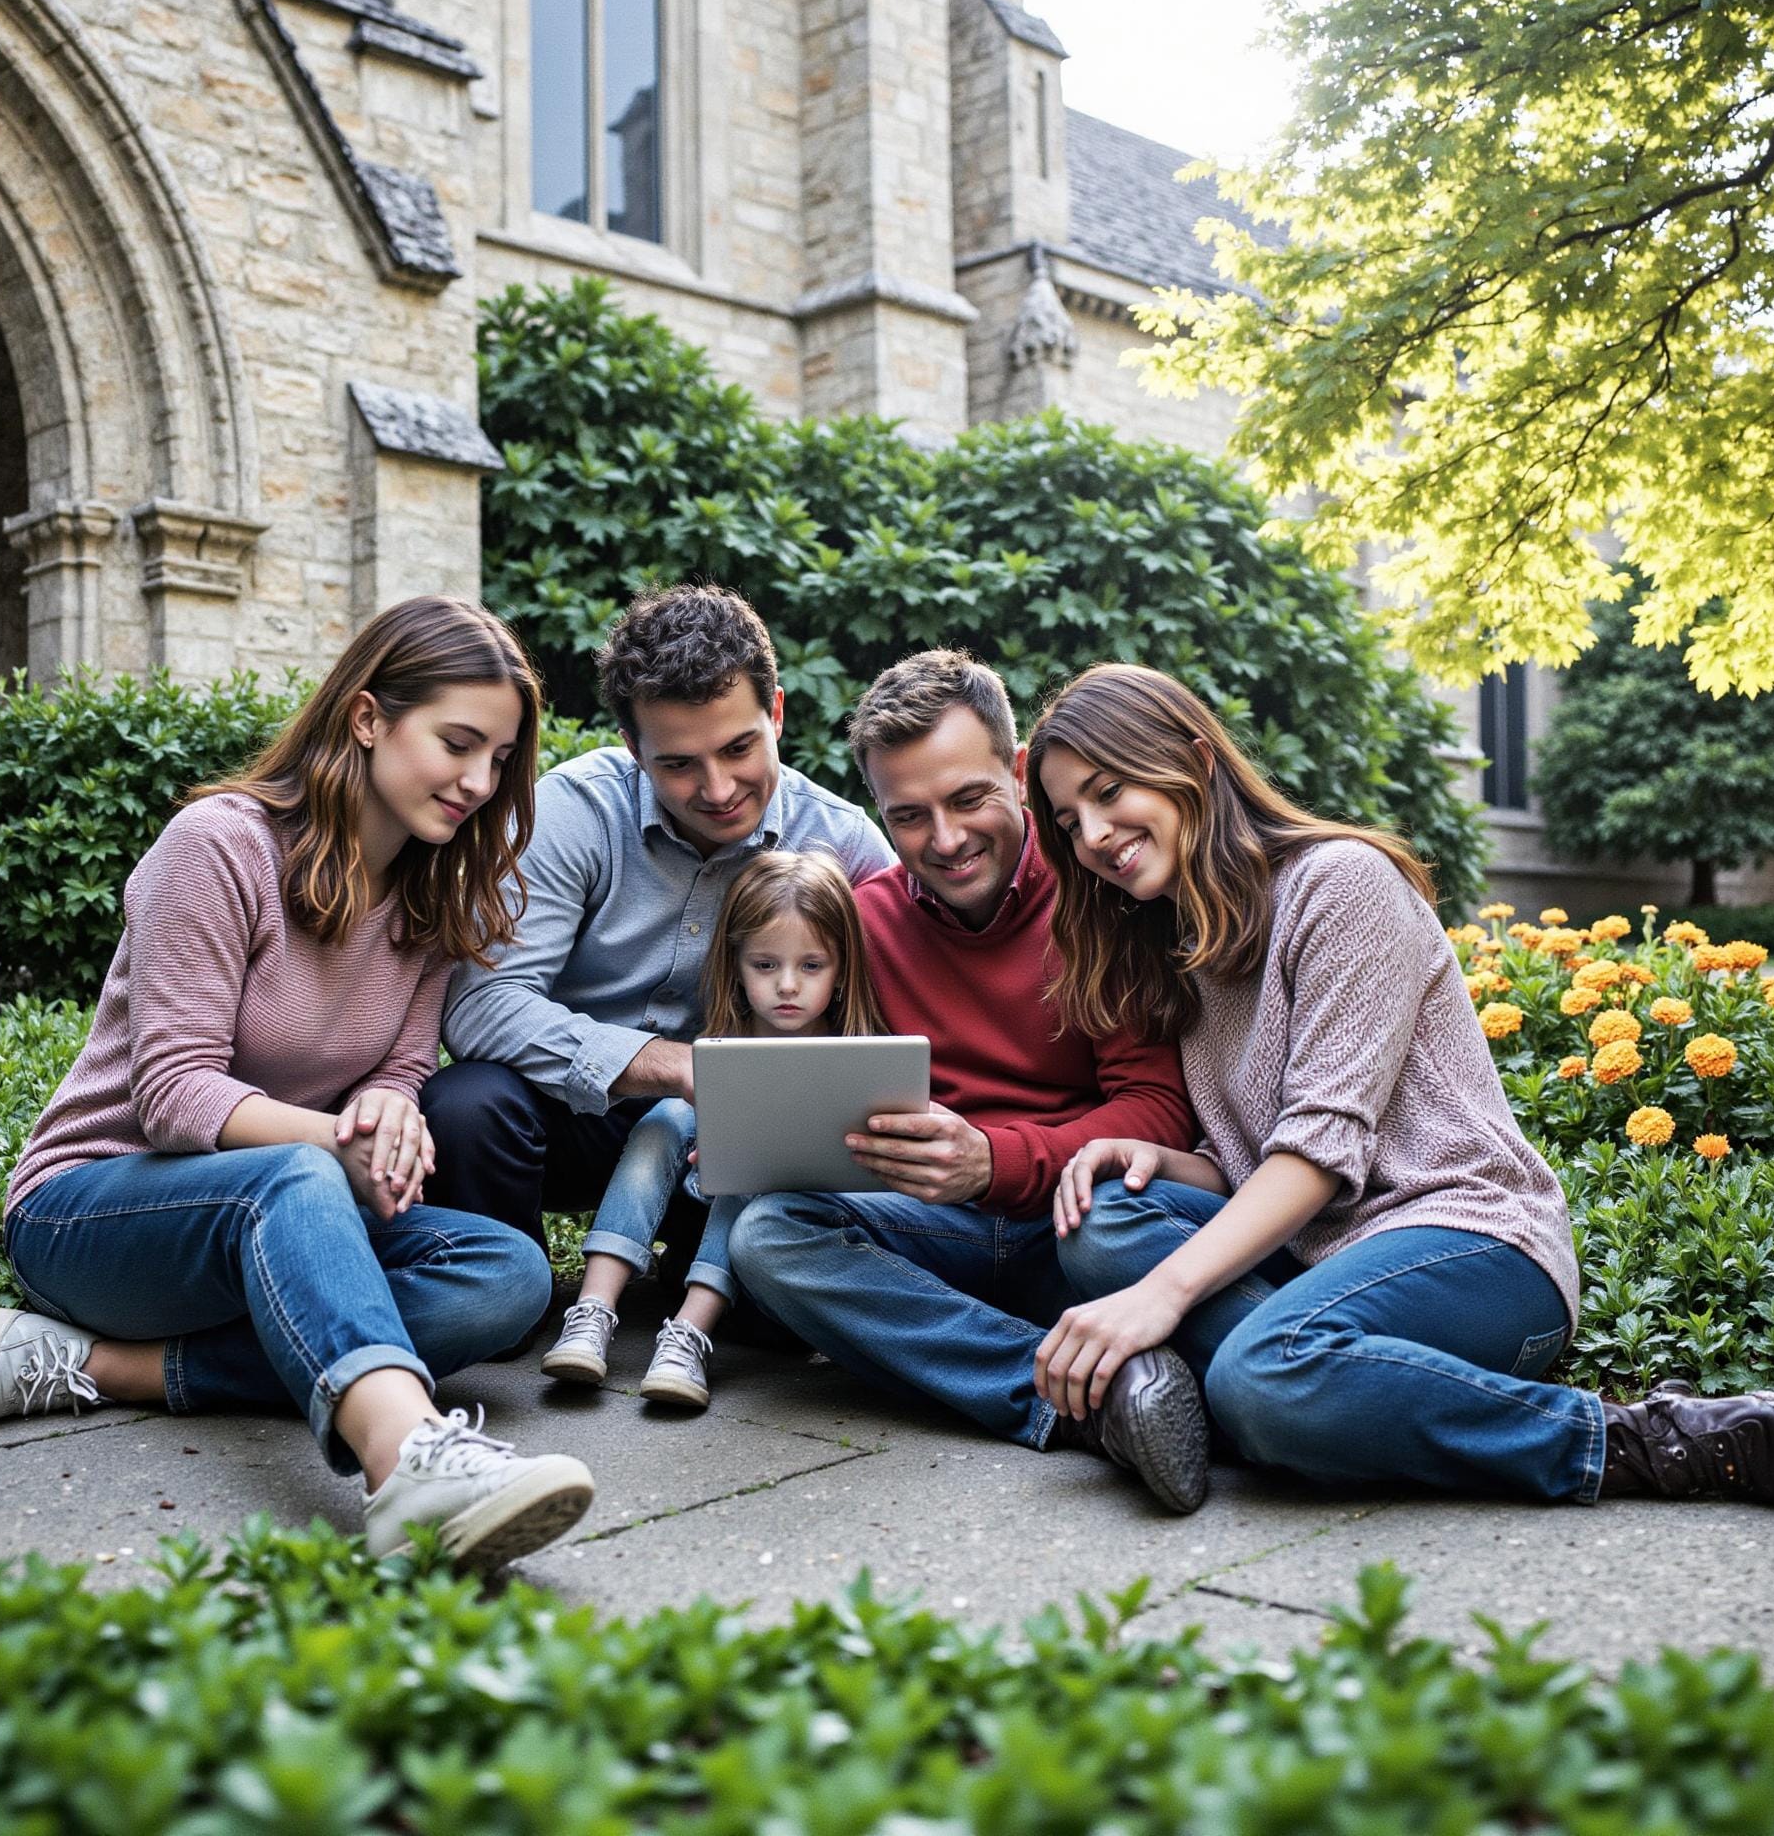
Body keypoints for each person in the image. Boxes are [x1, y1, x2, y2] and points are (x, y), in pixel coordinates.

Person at [1026, 661, 1774, 1512]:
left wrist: (1159, 1299)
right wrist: (1158, 1160)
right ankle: (1281, 1391)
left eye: (1109, 790)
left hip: (1476, 1245)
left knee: (1268, 1374)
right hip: (1317, 1251)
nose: (1092, 835)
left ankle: (1642, 1440)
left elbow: (1317, 1151)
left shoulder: (1339, 882)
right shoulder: (1184, 947)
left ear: (1192, 760)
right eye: (1069, 821)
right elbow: (1249, 1167)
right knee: (1104, 1217)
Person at [0, 597, 599, 1573]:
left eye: (498, 757)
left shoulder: (429, 895)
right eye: (457, 741)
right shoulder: (220, 844)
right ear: (369, 716)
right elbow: (171, 1090)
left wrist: (386, 1109)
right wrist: (335, 1138)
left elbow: (400, 1067)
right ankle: (407, 1458)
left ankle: (107, 1368)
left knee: (503, 1272)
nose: (477, 780)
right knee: (295, 1170)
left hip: (287, 1206)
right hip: (90, 1211)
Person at [728, 651, 1209, 1510]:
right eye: (908, 816)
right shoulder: (863, 921)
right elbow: (819, 1082)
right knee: (767, 1235)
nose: (944, 841)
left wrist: (993, 1160)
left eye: (967, 799)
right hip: (932, 1231)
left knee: (1114, 1231)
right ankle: (1090, 1404)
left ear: (1019, 773)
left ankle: (1061, 1365)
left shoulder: (1098, 893)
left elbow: (1159, 1111)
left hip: (1074, 1227)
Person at [423, 583, 892, 1268]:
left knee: (766, 1334)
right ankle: (501, 1293)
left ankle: (698, 1282)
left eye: (739, 749)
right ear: (633, 748)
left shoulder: (844, 844)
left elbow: (895, 1024)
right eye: (678, 764)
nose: (719, 788)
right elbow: (481, 1006)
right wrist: (679, 1067)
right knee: (465, 1107)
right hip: (569, 1120)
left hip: (737, 1146)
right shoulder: (574, 811)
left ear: (777, 714)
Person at [541, 849, 887, 1408]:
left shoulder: (856, 1057)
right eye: (766, 965)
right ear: (736, 963)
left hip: (778, 1230)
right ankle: (593, 1311)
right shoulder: (720, 1044)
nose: (788, 986)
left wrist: (744, 1151)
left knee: (758, 1155)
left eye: (812, 966)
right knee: (668, 1115)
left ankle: (689, 1335)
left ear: (843, 965)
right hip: (695, 1202)